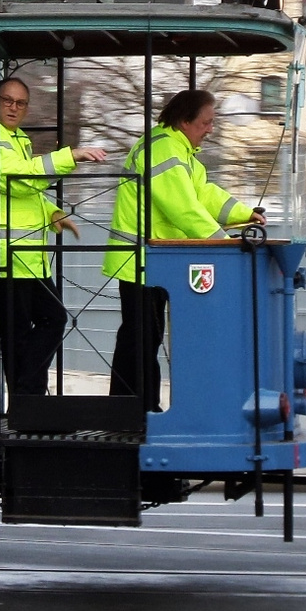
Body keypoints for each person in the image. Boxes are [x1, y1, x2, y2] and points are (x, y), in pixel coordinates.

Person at [102, 89, 262, 411]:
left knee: (144, 336)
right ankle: (135, 409)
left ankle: (133, 407)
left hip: (153, 258)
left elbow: (203, 195)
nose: (210, 129)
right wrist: (222, 244)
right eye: (206, 122)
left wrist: (245, 214)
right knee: (141, 337)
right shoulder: (163, 150)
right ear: (185, 120)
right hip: (141, 258)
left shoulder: (180, 151)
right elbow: (183, 208)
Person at [0, 75, 104, 395]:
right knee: (25, 330)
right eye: (7, 100)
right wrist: (70, 155)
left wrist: (51, 212)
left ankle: (28, 399)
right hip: (2, 253)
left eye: (20, 103)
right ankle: (28, 401)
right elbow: (17, 180)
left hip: (22, 255)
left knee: (48, 321)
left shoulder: (13, 137)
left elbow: (22, 192)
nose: (13, 108)